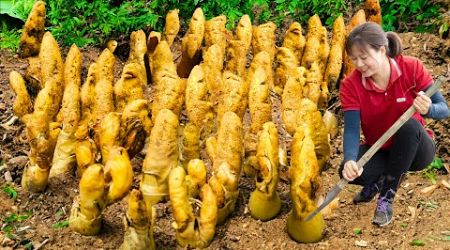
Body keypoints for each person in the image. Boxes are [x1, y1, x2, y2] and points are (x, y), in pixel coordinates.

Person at [339, 22, 449, 227]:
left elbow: (444, 109)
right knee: (346, 171)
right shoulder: (350, 85)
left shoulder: (411, 67)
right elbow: (352, 129)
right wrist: (350, 160)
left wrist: (428, 110)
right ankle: (378, 180)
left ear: (382, 50)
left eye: (364, 57)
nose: (359, 65)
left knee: (409, 126)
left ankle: (386, 196)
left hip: (417, 150)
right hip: (381, 150)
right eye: (354, 59)